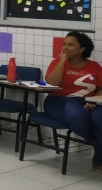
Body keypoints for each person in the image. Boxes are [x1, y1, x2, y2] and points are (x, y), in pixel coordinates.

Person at [43, 31, 102, 172]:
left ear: (82, 49)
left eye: (71, 44)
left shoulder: (94, 66)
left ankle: (98, 162)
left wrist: (94, 100)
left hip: (89, 102)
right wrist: (62, 61)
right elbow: (52, 82)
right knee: (77, 113)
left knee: (100, 118)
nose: (66, 47)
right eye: (64, 44)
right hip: (59, 101)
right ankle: (97, 142)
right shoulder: (57, 63)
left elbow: (101, 88)